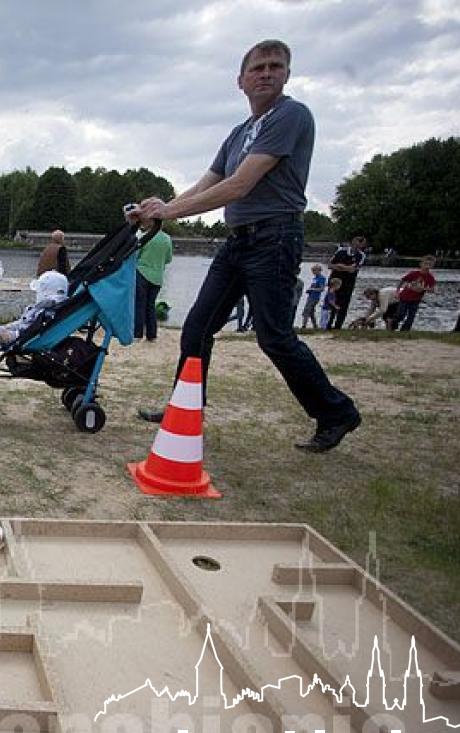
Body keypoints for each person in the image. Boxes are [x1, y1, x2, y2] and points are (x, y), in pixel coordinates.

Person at [132, 39, 360, 453]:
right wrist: (161, 209)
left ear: (287, 74)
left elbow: (239, 185)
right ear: (241, 80)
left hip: (274, 238)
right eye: (258, 68)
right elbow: (208, 182)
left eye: (275, 66)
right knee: (197, 328)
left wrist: (168, 213)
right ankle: (186, 408)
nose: (266, 73)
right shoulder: (238, 133)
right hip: (237, 242)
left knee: (274, 336)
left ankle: (336, 411)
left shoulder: (291, 115)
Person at [133, 222, 173, 341]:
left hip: (142, 273)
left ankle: (137, 334)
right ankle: (152, 335)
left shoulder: (145, 236)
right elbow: (168, 259)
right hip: (158, 277)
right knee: (150, 305)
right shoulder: (167, 239)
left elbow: (136, 255)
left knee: (139, 305)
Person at [327, 234, 368, 329]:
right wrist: (345, 267)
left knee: (344, 304)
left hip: (348, 283)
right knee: (331, 301)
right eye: (358, 242)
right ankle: (328, 324)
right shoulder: (341, 251)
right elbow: (330, 265)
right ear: (353, 242)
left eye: (361, 244)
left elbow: (353, 269)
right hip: (335, 280)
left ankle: (338, 326)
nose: (359, 246)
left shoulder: (361, 255)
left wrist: (340, 266)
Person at [393, 255, 436, 331]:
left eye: (429, 265)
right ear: (421, 264)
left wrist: (427, 289)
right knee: (401, 314)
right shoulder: (413, 274)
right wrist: (397, 292)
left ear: (432, 266)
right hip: (405, 297)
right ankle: (393, 323)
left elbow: (432, 289)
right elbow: (402, 281)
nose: (427, 267)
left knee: (411, 316)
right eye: (425, 264)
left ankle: (404, 330)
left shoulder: (430, 277)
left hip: (416, 299)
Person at [300, 263, 326, 328]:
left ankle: (303, 326)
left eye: (314, 270)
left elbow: (322, 289)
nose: (313, 272)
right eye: (312, 271)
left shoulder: (321, 278)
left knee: (306, 310)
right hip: (310, 296)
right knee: (311, 312)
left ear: (319, 270)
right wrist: (309, 290)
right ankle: (315, 326)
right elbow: (314, 287)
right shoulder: (315, 278)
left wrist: (313, 289)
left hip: (315, 297)